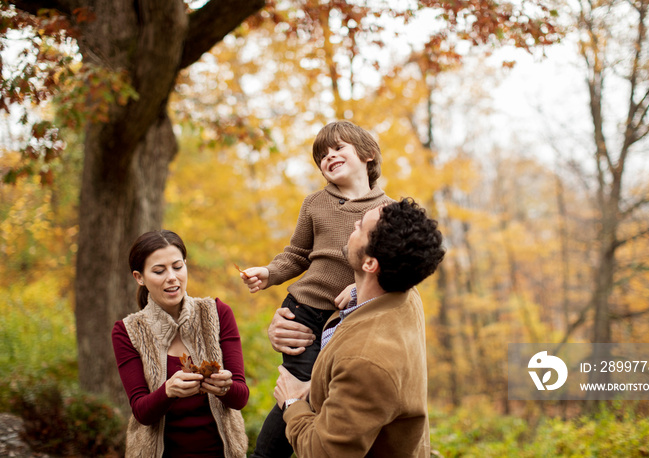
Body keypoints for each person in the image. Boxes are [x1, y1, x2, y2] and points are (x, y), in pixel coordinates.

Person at [241, 120, 393, 457]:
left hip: (352, 318)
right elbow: (296, 254)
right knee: (302, 391)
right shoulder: (314, 203)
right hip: (304, 310)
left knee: (331, 396)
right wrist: (268, 273)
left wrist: (358, 291)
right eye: (322, 155)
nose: (329, 157)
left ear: (368, 155)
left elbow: (391, 271)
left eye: (338, 148)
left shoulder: (389, 212)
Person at [273, 198, 445, 457]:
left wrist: (293, 404)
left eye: (361, 227)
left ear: (370, 264)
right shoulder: (407, 295)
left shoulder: (366, 360)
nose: (354, 223)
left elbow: (324, 452)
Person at [111, 230, 249, 458]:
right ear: (139, 277)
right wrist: (168, 391)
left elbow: (240, 397)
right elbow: (141, 411)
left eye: (177, 266)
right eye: (159, 271)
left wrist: (225, 387)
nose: (172, 277)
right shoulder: (128, 331)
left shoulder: (217, 313)